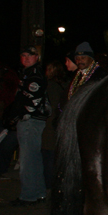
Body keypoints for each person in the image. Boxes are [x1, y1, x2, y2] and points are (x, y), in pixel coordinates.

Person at [8, 46, 48, 206]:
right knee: (33, 158)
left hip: (30, 120)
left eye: (30, 55)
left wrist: (19, 114)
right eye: (23, 55)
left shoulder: (34, 75)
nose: (26, 58)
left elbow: (31, 100)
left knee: (27, 159)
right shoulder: (27, 73)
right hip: (31, 120)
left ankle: (28, 196)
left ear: (36, 57)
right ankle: (38, 193)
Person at [41, 59, 68, 190]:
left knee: (48, 156)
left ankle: (49, 184)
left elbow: (51, 107)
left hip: (50, 126)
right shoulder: (63, 85)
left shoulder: (51, 86)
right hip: (56, 125)